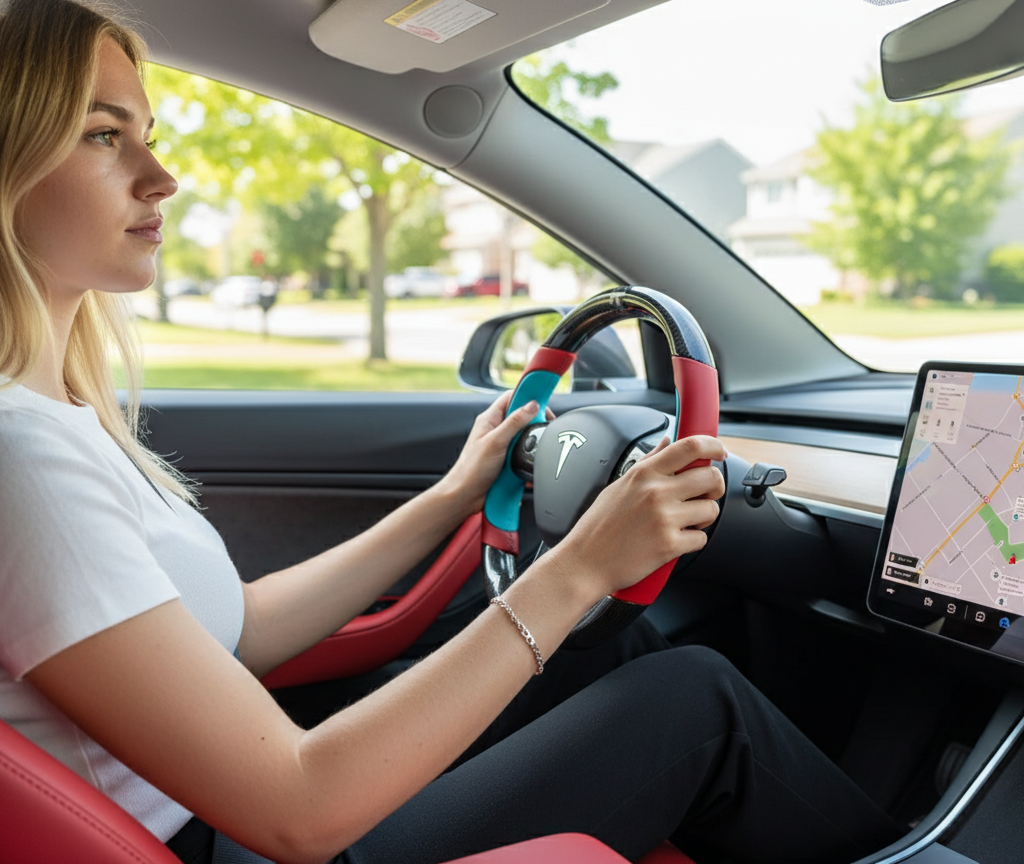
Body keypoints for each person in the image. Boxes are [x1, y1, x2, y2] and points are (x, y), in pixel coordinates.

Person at [0, 1, 901, 862]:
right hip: (242, 839)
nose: (161, 177)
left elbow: (239, 633)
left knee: (612, 640)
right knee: (693, 702)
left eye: (148, 136)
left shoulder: (55, 421)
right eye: (103, 134)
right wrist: (581, 564)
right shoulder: (24, 461)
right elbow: (299, 808)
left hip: (224, 811)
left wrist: (449, 499)